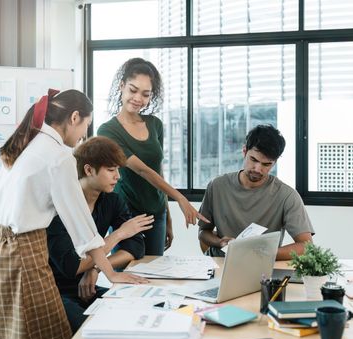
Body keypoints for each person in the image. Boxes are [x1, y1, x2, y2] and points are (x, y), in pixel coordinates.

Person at [0, 89, 147, 339]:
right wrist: (111, 272)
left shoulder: (27, 142)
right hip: (24, 250)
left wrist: (100, 268)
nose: (83, 135)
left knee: (14, 336)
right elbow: (80, 222)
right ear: (74, 117)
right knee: (43, 337)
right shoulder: (58, 156)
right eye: (85, 126)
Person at [98, 57, 209, 256]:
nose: (138, 98)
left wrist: (167, 217)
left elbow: (158, 170)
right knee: (128, 274)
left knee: (155, 272)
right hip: (126, 214)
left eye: (145, 94)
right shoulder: (108, 131)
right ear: (122, 86)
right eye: (133, 90)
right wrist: (181, 198)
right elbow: (142, 170)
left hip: (156, 212)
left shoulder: (154, 124)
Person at [46, 136, 154, 334]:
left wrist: (94, 268)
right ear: (88, 170)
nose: (118, 177)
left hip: (89, 287)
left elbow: (136, 248)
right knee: (91, 331)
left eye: (118, 170)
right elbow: (72, 267)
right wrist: (119, 234)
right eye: (111, 170)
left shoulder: (111, 201)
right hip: (56, 292)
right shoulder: (59, 207)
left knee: (142, 309)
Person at [198, 124, 314, 260]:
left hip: (261, 267)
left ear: (274, 163)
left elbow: (306, 246)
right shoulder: (217, 186)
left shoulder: (286, 196)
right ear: (244, 151)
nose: (258, 169)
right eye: (253, 160)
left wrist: (264, 253)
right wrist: (220, 242)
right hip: (220, 262)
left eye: (266, 164)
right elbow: (203, 232)